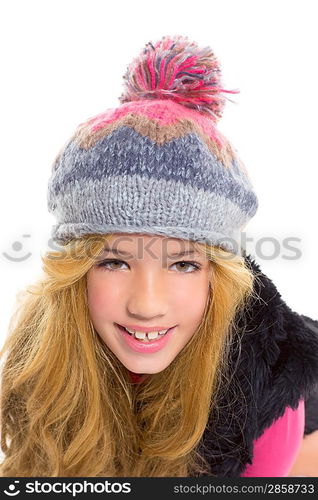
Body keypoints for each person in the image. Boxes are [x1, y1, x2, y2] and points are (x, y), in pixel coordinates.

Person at [0, 34, 318, 478]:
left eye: (184, 264)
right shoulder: (38, 357)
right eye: (114, 262)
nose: (147, 305)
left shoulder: (267, 396)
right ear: (74, 272)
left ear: (217, 276)